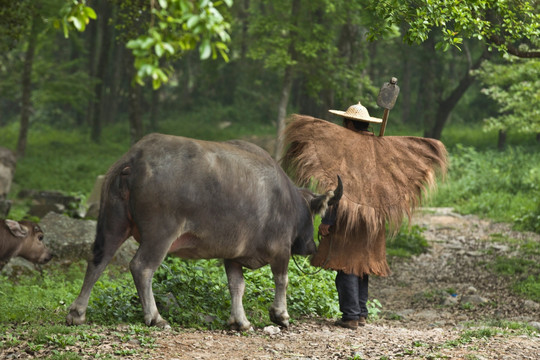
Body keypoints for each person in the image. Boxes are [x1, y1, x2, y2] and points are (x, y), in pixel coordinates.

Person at [282, 102, 448, 330]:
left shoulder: (345, 147)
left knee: (348, 267)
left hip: (347, 220)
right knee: (361, 266)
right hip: (373, 221)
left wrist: (328, 220)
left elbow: (338, 187)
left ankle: (350, 315)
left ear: (349, 123)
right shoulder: (380, 147)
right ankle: (360, 313)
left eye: (344, 122)